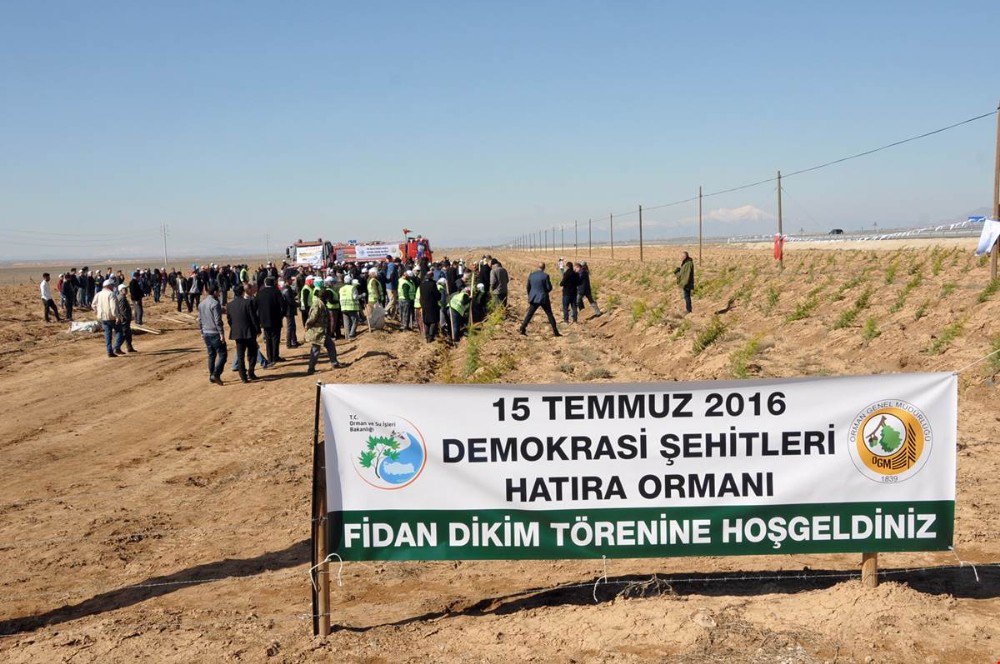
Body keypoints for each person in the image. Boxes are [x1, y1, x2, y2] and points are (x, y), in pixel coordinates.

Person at [227, 284, 261, 383]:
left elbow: (229, 320)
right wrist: (258, 329)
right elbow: (253, 317)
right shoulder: (248, 302)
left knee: (240, 355)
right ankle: (251, 372)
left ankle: (243, 377)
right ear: (243, 292)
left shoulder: (230, 305)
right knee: (252, 353)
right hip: (249, 332)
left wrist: (235, 327)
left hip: (238, 333)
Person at [305, 289, 344, 374]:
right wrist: (307, 325)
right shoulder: (318, 304)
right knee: (315, 350)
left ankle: (334, 363)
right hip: (317, 331)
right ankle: (311, 369)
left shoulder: (320, 303)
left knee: (331, 346)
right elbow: (312, 317)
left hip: (322, 331)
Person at [519, 263, 560, 337]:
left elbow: (528, 287)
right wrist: (545, 292)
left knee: (529, 314)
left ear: (537, 267)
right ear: (544, 268)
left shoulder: (531, 275)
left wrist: (530, 295)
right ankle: (555, 331)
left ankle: (522, 328)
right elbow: (549, 288)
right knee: (549, 314)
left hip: (534, 298)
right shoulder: (545, 276)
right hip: (544, 298)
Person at [198, 284, 227, 385]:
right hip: (215, 333)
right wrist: (221, 334)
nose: (219, 293)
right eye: (218, 291)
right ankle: (216, 374)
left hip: (206, 333)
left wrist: (201, 332)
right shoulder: (215, 303)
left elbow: (200, 320)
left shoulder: (201, 304)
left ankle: (211, 376)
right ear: (214, 292)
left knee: (211, 355)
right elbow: (217, 320)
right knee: (223, 354)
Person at [256, 276, 286, 365]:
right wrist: (281, 316)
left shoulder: (260, 293)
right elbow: (283, 306)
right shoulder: (276, 292)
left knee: (268, 339)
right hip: (276, 320)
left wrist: (260, 318)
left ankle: (270, 357)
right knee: (275, 339)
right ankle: (275, 356)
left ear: (265, 284)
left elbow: (255, 307)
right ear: (273, 283)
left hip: (264, 321)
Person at [93, 279, 123, 357]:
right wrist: (117, 317)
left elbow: (93, 305)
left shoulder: (98, 294)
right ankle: (116, 347)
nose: (113, 287)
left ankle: (109, 351)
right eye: (112, 285)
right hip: (111, 317)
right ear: (109, 286)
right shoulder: (111, 294)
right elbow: (113, 307)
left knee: (107, 335)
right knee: (120, 332)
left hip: (102, 318)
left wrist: (97, 311)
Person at [418, 273, 441, 342]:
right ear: (432, 277)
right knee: (433, 321)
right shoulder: (432, 284)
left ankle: (427, 336)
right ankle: (431, 336)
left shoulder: (422, 284)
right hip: (432, 305)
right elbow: (437, 296)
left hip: (424, 304)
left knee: (426, 320)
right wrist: (439, 294)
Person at [115, 283, 137, 353]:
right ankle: (116, 348)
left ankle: (129, 347)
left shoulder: (122, 297)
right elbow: (122, 310)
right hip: (124, 319)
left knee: (128, 334)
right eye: (124, 289)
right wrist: (125, 318)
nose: (126, 290)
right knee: (124, 334)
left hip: (125, 318)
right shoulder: (121, 298)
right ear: (120, 290)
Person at [281, 279, 300, 348]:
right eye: (290, 280)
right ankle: (289, 344)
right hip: (289, 311)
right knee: (290, 327)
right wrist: (298, 304)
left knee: (293, 327)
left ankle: (294, 341)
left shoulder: (286, 288)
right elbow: (290, 301)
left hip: (289, 310)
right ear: (287, 280)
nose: (291, 281)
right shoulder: (287, 289)